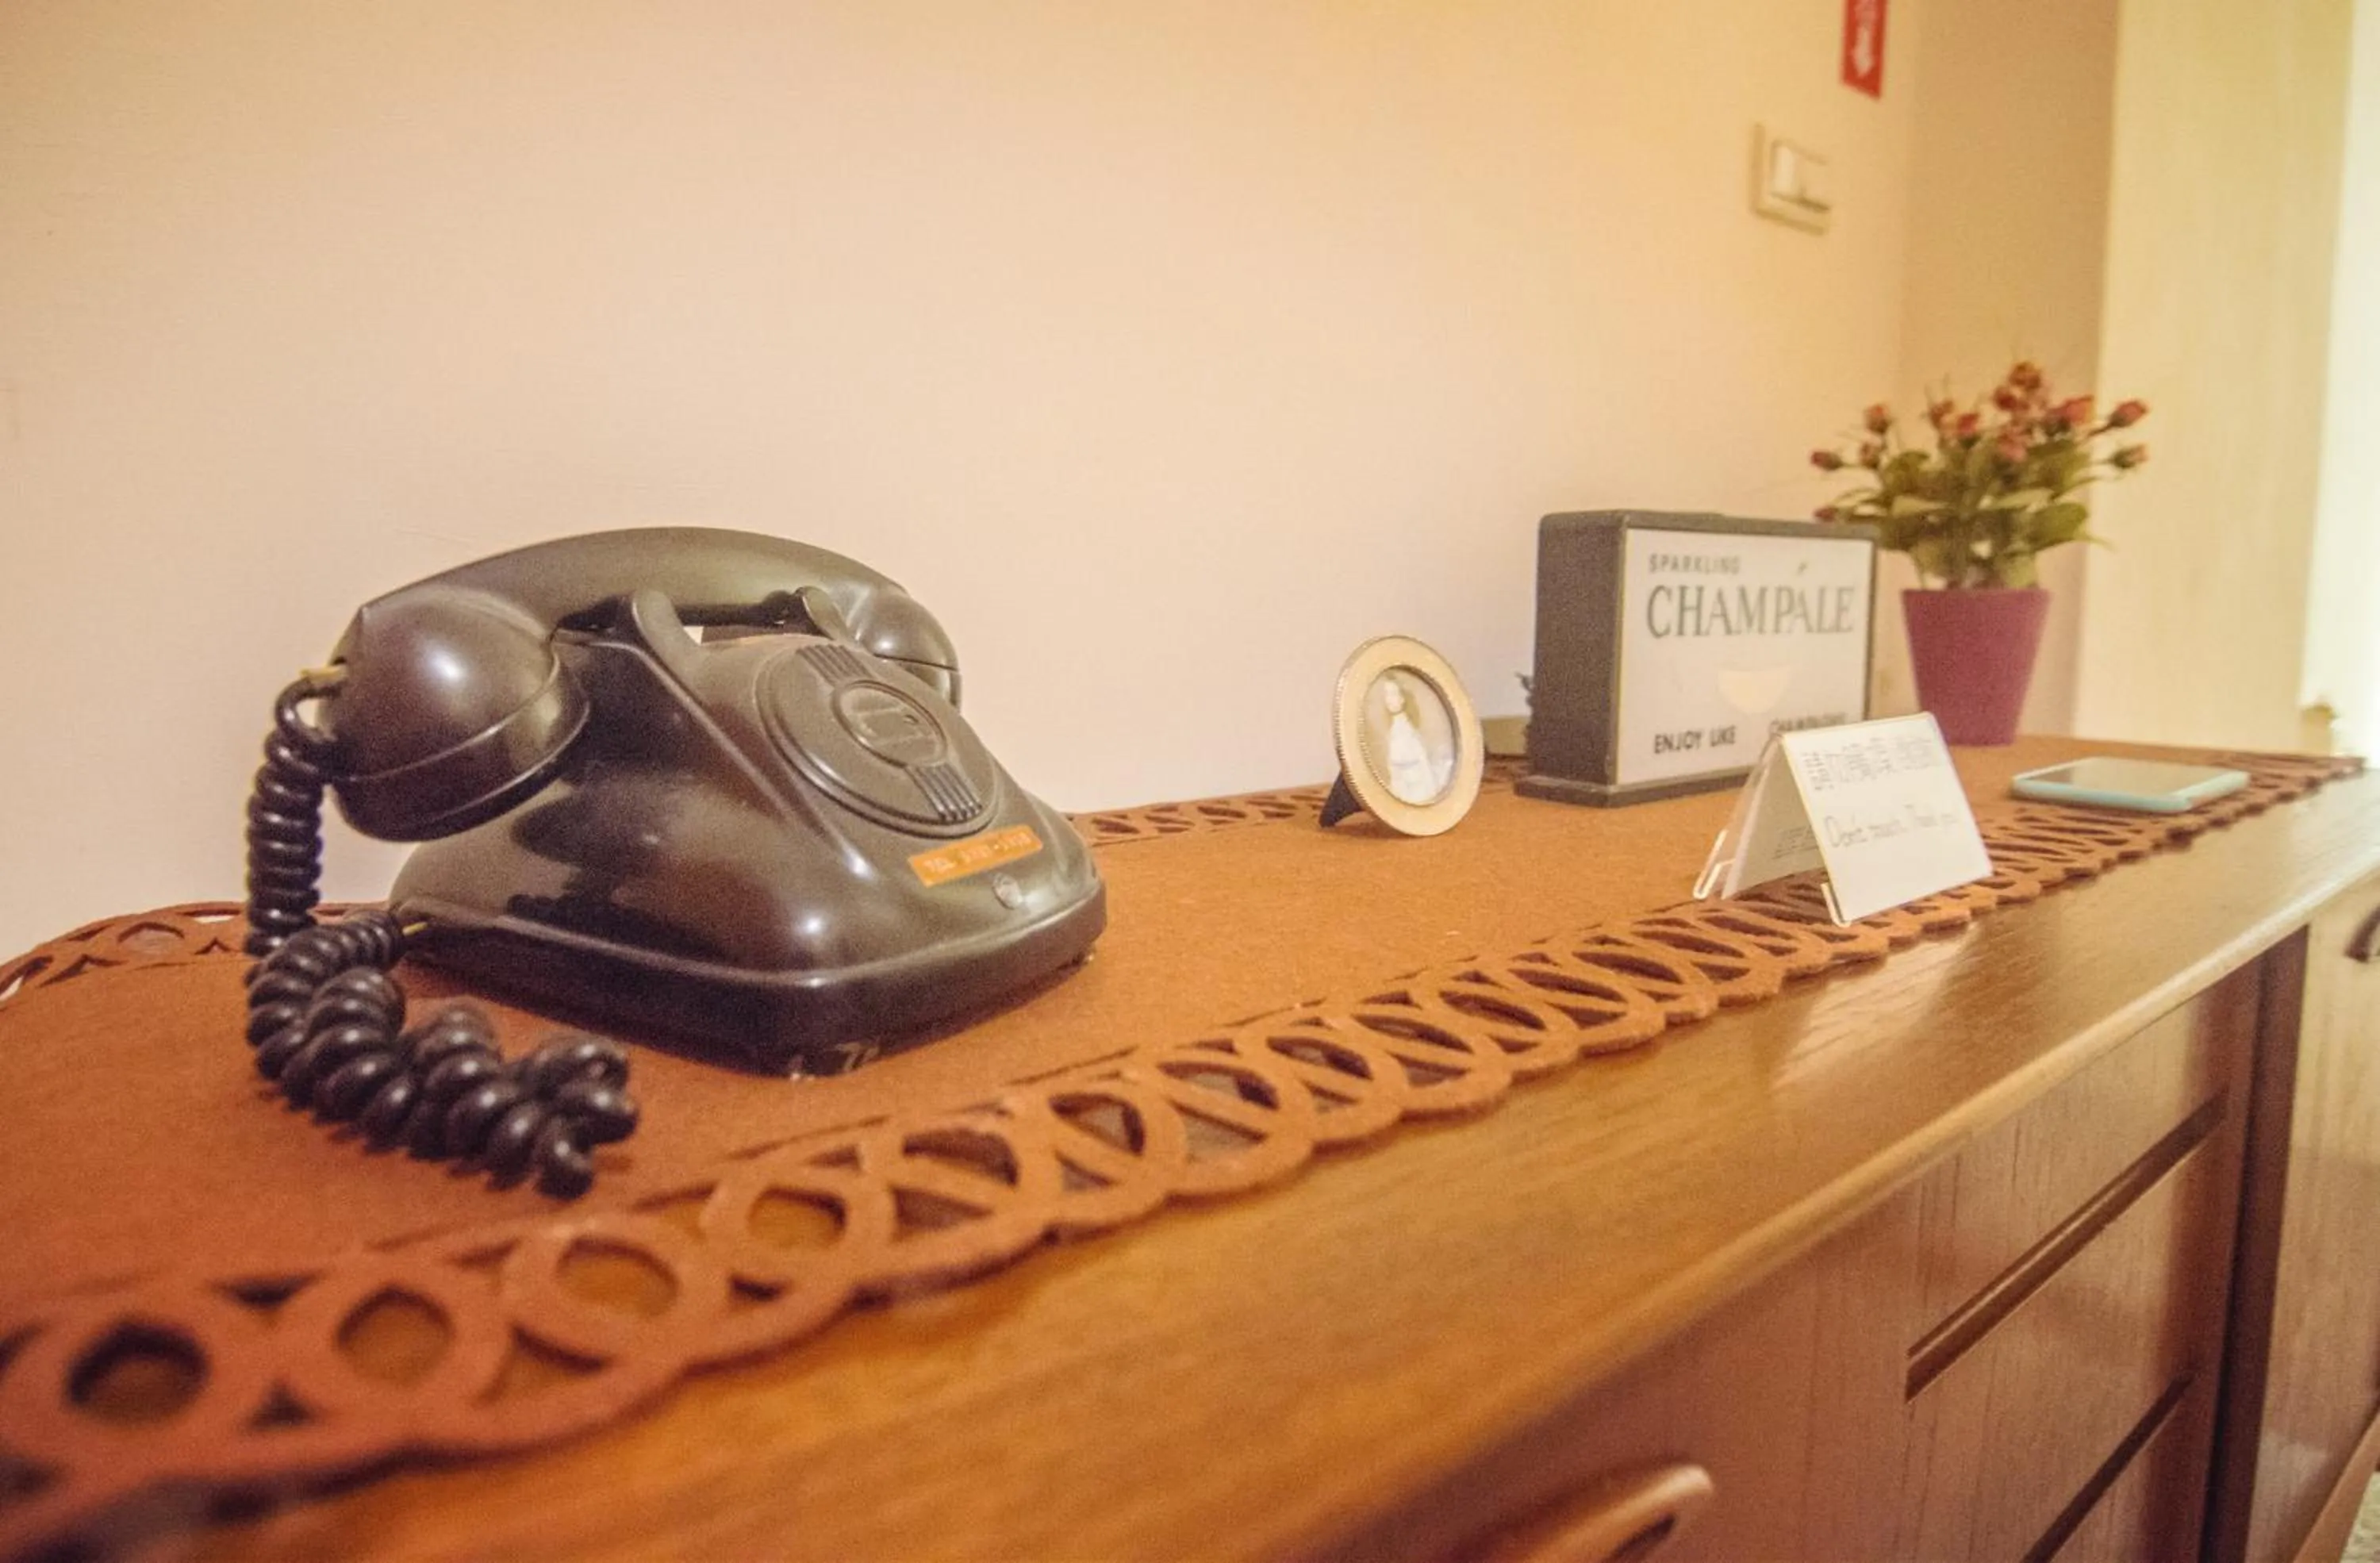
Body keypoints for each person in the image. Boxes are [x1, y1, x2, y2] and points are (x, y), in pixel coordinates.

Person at [1379, 674, 1450, 805]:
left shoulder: (1407, 728)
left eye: (1393, 694)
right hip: (1403, 783)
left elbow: (1420, 760)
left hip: (1416, 784)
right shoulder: (1394, 727)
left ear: (1402, 699)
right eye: (1386, 695)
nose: (1389, 699)